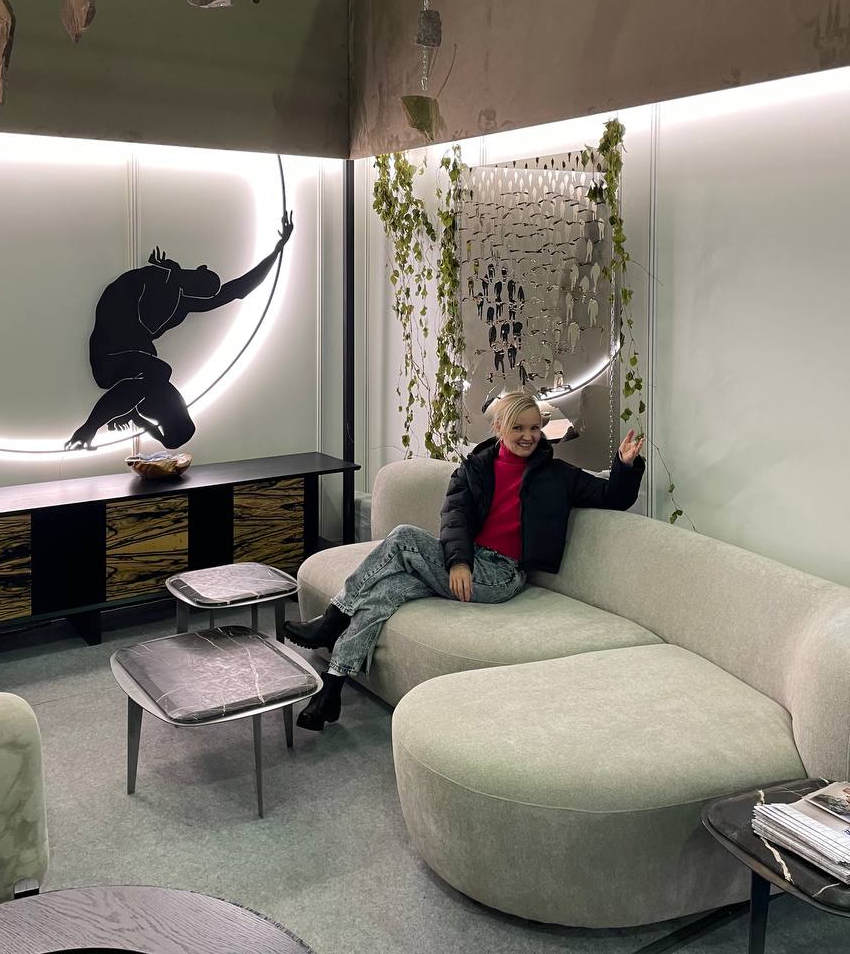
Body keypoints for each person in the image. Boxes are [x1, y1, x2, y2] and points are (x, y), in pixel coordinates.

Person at [285, 390, 645, 732]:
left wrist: (625, 465)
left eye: (535, 428)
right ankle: (332, 689)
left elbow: (611, 497)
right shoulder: (475, 468)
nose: (528, 436)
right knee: (385, 592)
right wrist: (459, 561)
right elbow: (454, 516)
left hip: (502, 575)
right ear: (499, 427)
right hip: (468, 563)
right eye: (518, 427)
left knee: (403, 537)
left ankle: (334, 618)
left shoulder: (558, 475)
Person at [65, 212, 293, 450]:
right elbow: (120, 304)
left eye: (204, 291)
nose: (201, 293)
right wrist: (168, 271)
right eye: (201, 281)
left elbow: (237, 290)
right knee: (160, 371)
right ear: (198, 270)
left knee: (179, 424)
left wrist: (277, 249)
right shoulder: (152, 278)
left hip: (134, 366)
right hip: (110, 356)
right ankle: (93, 427)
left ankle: (130, 414)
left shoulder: (183, 301)